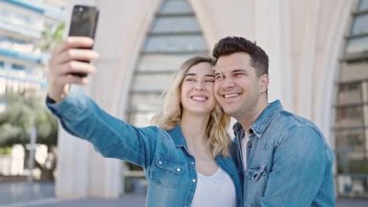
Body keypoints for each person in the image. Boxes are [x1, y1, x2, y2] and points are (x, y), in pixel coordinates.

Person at [46, 37, 242, 207]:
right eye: (190, 79)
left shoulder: (230, 151)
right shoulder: (158, 144)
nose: (199, 86)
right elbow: (110, 133)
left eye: (209, 80)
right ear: (180, 91)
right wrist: (60, 93)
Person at [211, 36, 335, 206]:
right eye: (219, 76)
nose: (226, 84)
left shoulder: (296, 136)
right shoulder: (235, 145)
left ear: (263, 84)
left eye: (237, 74)